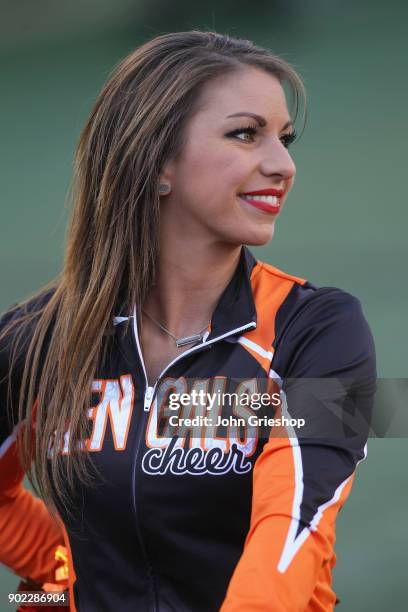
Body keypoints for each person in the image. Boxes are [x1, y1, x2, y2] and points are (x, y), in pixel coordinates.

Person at [0, 30, 376, 611]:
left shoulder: (322, 331)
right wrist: (59, 576)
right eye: (246, 134)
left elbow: (294, 530)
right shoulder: (39, 338)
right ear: (156, 164)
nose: (283, 164)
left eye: (284, 138)